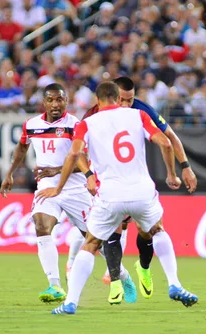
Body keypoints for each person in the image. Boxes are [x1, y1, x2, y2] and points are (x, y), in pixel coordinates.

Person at [37, 82, 198, 315]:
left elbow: (75, 154)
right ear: (117, 97)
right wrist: (172, 173)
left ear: (98, 100)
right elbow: (165, 142)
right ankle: (174, 284)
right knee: (158, 230)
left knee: (90, 244)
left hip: (110, 194)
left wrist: (59, 186)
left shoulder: (86, 124)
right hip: (142, 191)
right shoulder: (139, 115)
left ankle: (70, 302)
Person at [0, 83, 136, 304]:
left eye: (60, 100)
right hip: (46, 188)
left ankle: (122, 275)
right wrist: (10, 173)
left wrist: (58, 170)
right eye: (51, 100)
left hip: (76, 189)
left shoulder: (76, 125)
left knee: (95, 242)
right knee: (41, 225)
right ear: (44, 102)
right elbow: (22, 147)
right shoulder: (31, 125)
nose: (55, 104)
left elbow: (85, 158)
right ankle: (54, 285)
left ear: (66, 101)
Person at [78, 76, 198, 292]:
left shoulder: (142, 111)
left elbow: (169, 137)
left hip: (135, 177)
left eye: (130, 100)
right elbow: (78, 150)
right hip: (107, 182)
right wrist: (88, 175)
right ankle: (115, 282)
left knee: (145, 231)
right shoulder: (93, 115)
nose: (125, 105)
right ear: (112, 97)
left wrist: (185, 166)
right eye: (122, 100)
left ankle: (143, 266)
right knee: (114, 229)